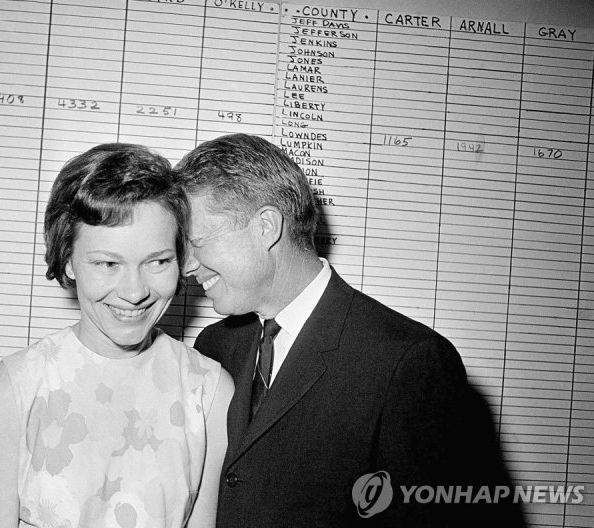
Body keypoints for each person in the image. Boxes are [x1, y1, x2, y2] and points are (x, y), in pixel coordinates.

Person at [175, 133, 523, 527]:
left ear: (266, 227)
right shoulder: (215, 345)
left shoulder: (409, 362)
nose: (187, 267)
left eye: (197, 243)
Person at [0, 143, 234, 528]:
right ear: (69, 261)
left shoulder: (209, 393)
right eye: (108, 263)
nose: (134, 291)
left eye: (157, 261)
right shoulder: (16, 387)